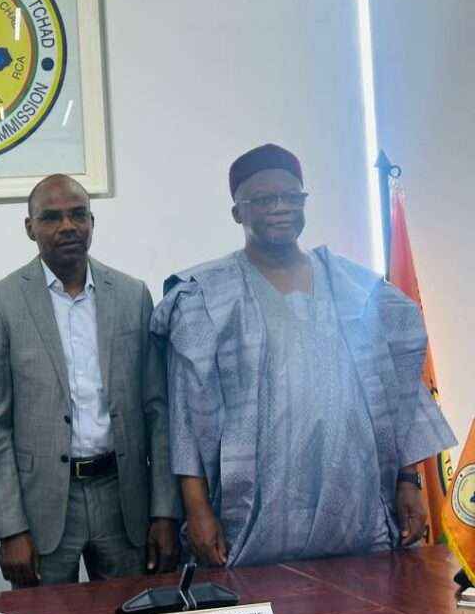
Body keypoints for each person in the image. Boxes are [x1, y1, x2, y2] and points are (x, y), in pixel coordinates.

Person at [151, 143, 456, 568]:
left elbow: (400, 392)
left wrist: (409, 480)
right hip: (253, 520)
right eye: (264, 200)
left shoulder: (356, 288)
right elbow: (187, 416)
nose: (280, 208)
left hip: (357, 510)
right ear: (238, 212)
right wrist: (197, 509)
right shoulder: (205, 297)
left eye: (291, 197)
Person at [0, 174, 181, 587]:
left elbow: (158, 412)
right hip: (44, 505)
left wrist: (165, 512)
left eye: (78, 215)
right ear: (30, 227)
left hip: (123, 497)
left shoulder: (132, 295)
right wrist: (10, 527)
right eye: (51, 217)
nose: (67, 226)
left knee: (132, 610)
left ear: (91, 221)